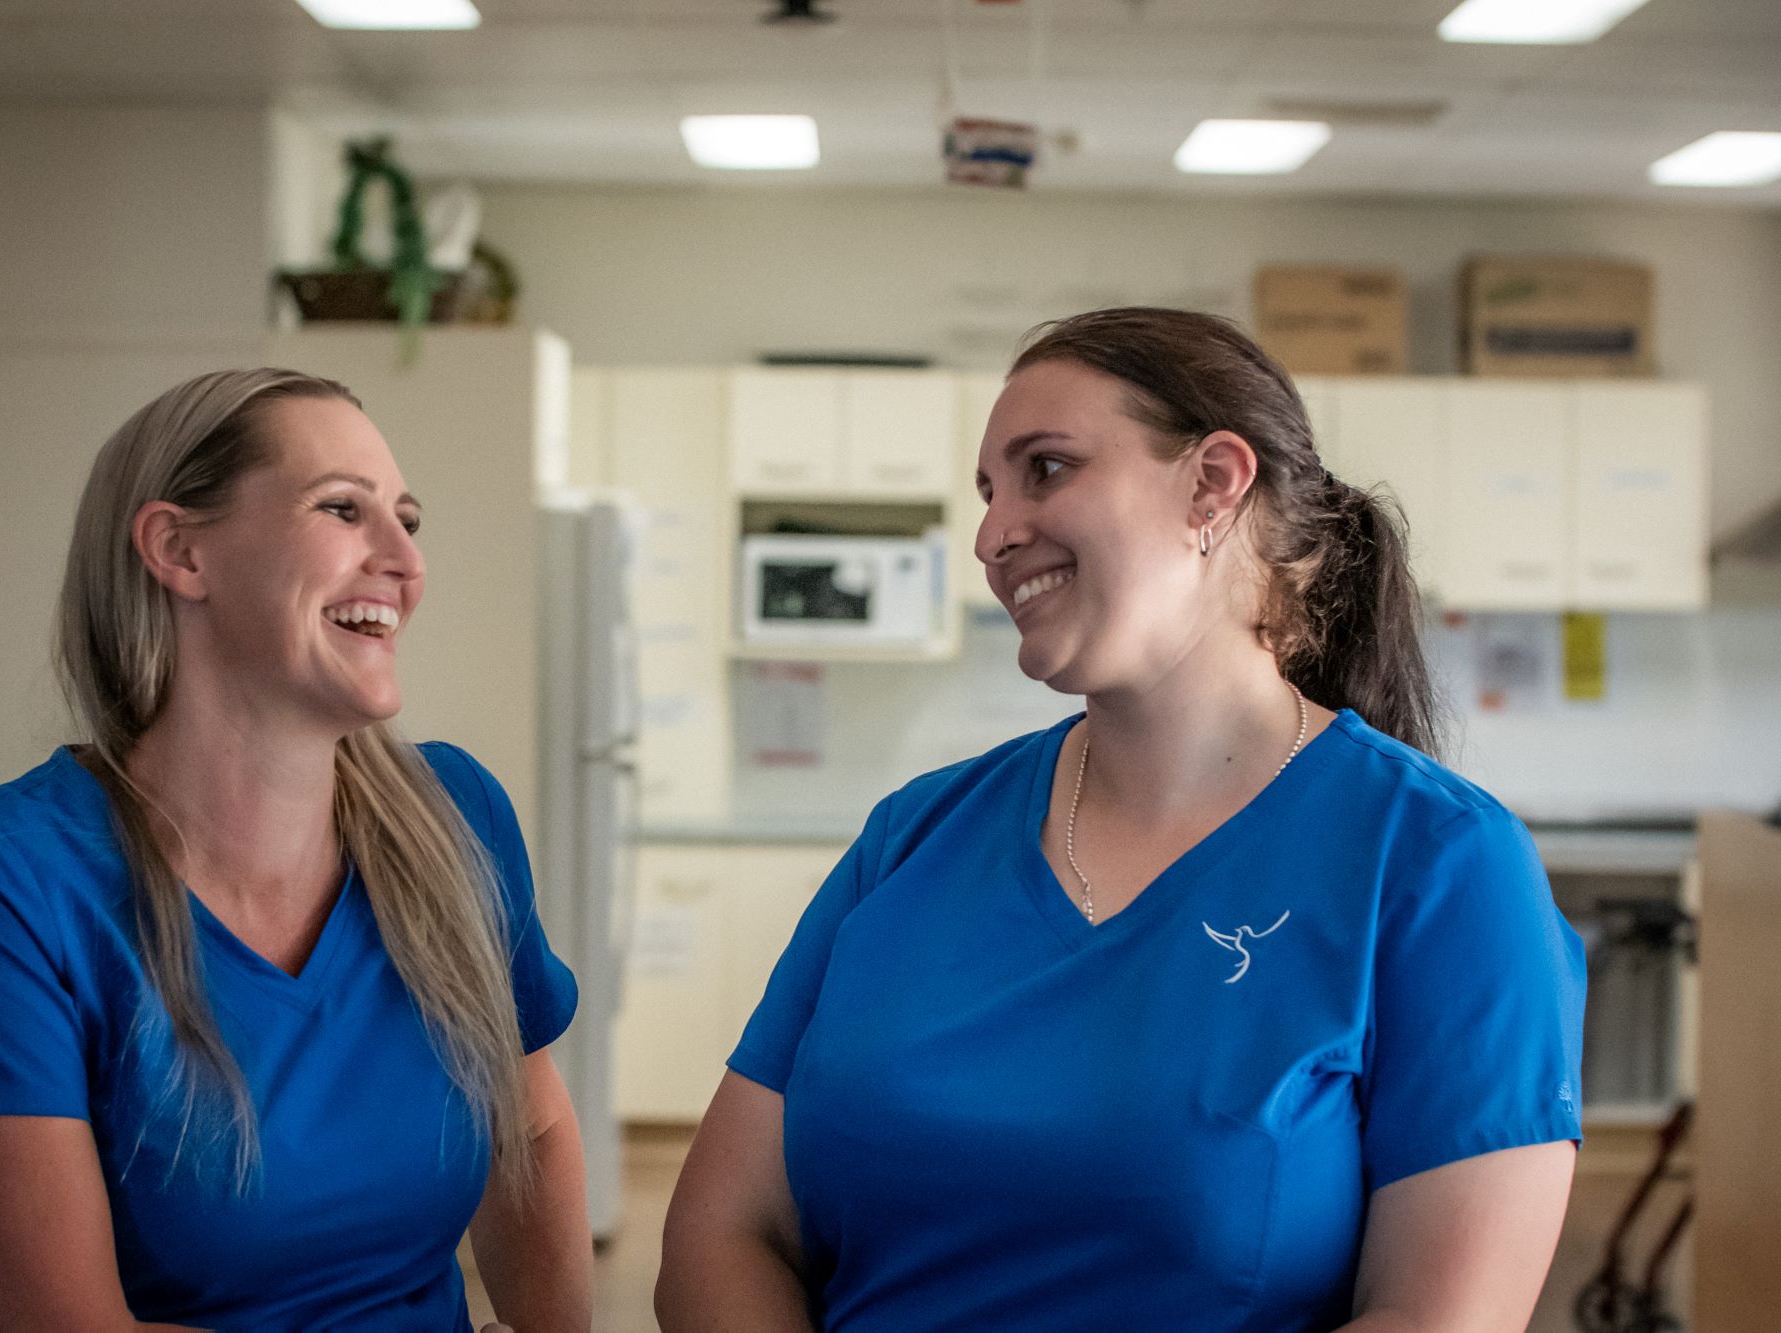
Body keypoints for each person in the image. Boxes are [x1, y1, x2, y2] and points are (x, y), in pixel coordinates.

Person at [659, 308, 1587, 1332]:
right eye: (987, 491)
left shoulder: (1435, 863)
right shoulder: (912, 839)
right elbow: (721, 1233)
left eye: (1044, 470)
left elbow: (1437, 1318)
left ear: (1212, 483)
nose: (990, 533)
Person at [0, 369, 593, 1332]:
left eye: (408, 519)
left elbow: (527, 1127)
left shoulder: (457, 816)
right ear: (178, 549)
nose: (404, 561)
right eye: (343, 509)